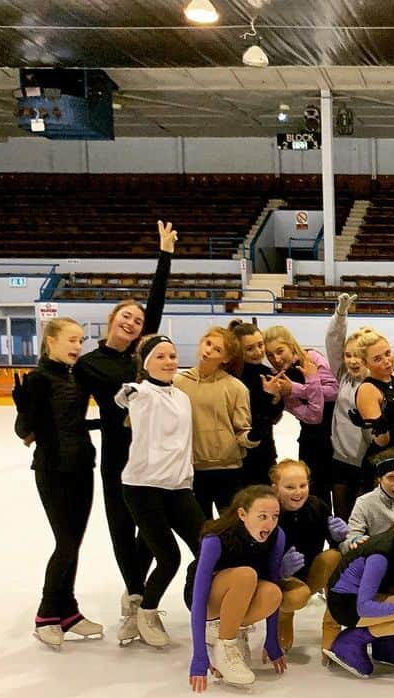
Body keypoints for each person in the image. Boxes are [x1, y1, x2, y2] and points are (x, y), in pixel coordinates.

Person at [75, 220, 176, 636]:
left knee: (152, 527)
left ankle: (136, 589)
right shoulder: (88, 365)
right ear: (112, 320)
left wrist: (165, 255)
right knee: (122, 526)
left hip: (150, 452)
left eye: (138, 320)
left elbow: (156, 303)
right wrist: (104, 424)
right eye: (126, 317)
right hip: (117, 454)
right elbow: (74, 411)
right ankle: (135, 595)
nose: (134, 323)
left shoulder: (140, 355)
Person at [13, 317, 101, 647]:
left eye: (80, 340)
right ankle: (46, 613)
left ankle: (69, 611)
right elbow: (24, 433)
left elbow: (72, 423)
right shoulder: (38, 379)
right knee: (65, 543)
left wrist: (105, 422)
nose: (78, 346)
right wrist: (26, 411)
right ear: (51, 341)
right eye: (71, 340)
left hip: (82, 466)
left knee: (73, 544)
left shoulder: (73, 377)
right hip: (53, 471)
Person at [115, 334, 206, 648]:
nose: (169, 362)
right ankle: (146, 611)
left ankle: (206, 611)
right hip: (143, 487)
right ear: (146, 362)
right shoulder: (142, 393)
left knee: (207, 548)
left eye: (172, 355)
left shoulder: (181, 396)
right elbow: (125, 396)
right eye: (160, 356)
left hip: (179, 487)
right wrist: (130, 390)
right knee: (168, 557)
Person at [185, 486, 287, 691]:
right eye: (262, 516)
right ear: (242, 514)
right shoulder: (216, 538)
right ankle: (226, 645)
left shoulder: (277, 536)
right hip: (207, 601)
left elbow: (272, 580)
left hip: (241, 595)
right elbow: (198, 596)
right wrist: (199, 657)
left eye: (275, 516)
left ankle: (228, 631)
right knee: (246, 575)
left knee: (273, 593)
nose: (270, 523)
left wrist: (272, 641)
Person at [323, 504, 394, 677]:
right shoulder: (380, 555)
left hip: (370, 594)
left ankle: (385, 642)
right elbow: (364, 606)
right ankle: (352, 640)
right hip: (347, 604)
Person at [174, 326, 255, 518]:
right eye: (208, 343)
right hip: (192, 470)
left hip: (228, 471)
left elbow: (242, 431)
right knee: (200, 532)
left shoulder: (236, 388)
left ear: (226, 359)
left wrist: (254, 435)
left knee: (231, 529)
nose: (208, 350)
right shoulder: (177, 383)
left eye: (217, 349)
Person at [271, 459, 347, 657]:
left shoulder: (316, 506)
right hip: (280, 583)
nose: (298, 492)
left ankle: (332, 625)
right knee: (298, 596)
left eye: (302, 485)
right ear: (275, 488)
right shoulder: (268, 513)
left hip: (310, 574)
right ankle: (284, 616)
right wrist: (278, 570)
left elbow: (336, 545)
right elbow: (253, 558)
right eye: (289, 487)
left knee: (335, 557)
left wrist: (340, 538)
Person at [264, 325, 339, 511]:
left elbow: (335, 391)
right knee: (315, 500)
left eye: (280, 351)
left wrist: (297, 389)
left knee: (341, 498)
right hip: (311, 442)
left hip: (338, 439)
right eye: (270, 355)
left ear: (291, 345)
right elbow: (313, 416)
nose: (276, 359)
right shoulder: (280, 379)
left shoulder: (311, 358)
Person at [324, 294, 370, 521]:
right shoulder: (343, 376)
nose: (353, 360)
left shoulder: (379, 384)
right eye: (348, 355)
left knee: (362, 522)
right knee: (341, 519)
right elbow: (333, 342)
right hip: (341, 462)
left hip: (368, 465)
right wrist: (340, 315)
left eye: (359, 355)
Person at [350, 329, 394, 470]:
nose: (386, 361)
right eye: (377, 359)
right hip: (386, 466)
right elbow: (382, 442)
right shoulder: (368, 389)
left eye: (388, 354)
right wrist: (379, 427)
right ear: (365, 362)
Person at [229, 320, 285, 487]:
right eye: (250, 348)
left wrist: (275, 399)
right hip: (237, 454)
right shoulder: (230, 377)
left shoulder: (268, 374)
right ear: (238, 350)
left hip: (264, 451)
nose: (258, 351)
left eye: (260, 345)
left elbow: (273, 417)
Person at [344, 449, 394, 548]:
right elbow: (348, 541)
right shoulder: (364, 503)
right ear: (379, 479)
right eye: (391, 478)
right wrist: (354, 540)